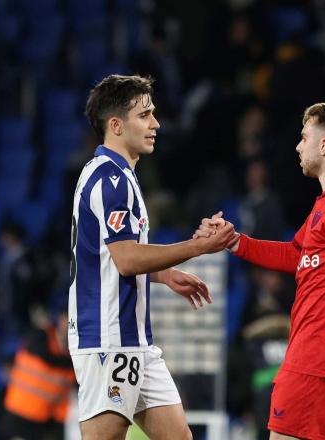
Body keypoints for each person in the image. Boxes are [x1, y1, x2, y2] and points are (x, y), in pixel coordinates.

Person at [69, 74, 237, 440]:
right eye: (144, 115)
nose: (156, 124)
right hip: (108, 338)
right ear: (116, 125)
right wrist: (199, 247)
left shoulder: (119, 176)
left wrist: (163, 273)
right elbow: (127, 259)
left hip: (136, 341)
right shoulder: (110, 180)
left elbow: (109, 256)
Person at [197, 101, 325, 440]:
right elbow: (297, 255)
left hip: (319, 360)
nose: (298, 145)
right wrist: (235, 242)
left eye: (305, 136)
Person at [0, 308, 75, 440]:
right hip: (18, 417)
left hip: (43, 424)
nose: (70, 325)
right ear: (61, 319)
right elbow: (46, 356)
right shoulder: (39, 337)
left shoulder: (74, 357)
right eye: (67, 320)